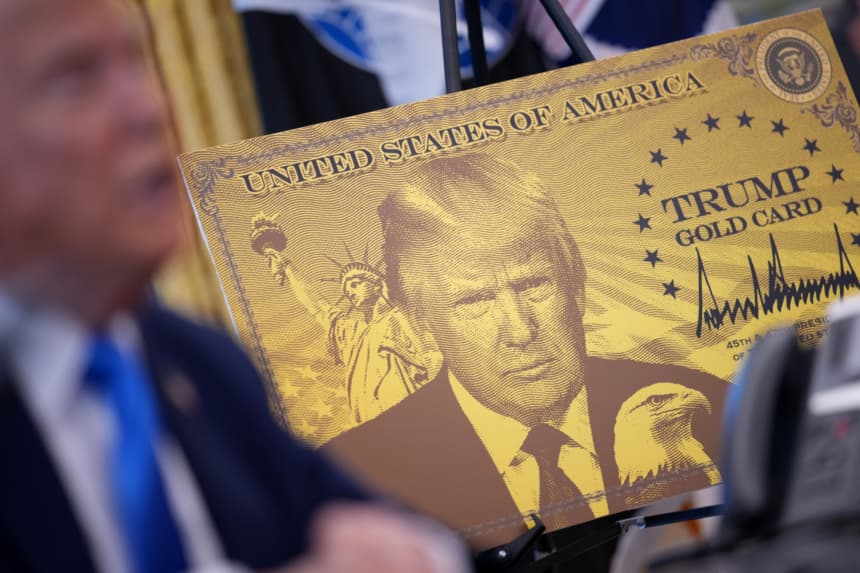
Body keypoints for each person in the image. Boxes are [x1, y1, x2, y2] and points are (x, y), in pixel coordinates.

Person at [0, 1, 467, 572]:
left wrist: (412, 553)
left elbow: (393, 534)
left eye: (136, 62)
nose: (149, 108)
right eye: (75, 78)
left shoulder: (200, 362)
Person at [325, 153, 728, 557]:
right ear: (420, 321)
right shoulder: (358, 480)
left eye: (533, 285)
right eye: (475, 299)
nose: (520, 331)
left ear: (577, 286)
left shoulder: (712, 408)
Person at [249, 213, 439, 424]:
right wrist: (287, 266)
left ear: (376, 283)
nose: (352, 292)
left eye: (356, 284)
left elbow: (430, 352)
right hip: (367, 405)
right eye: (348, 291)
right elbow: (319, 308)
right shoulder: (354, 332)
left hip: (403, 393)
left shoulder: (400, 315)